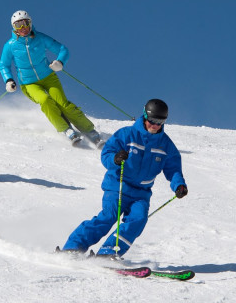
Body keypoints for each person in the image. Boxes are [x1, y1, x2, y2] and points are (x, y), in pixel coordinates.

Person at [61, 99, 188, 257]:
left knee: (138, 220)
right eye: (152, 121)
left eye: (160, 122)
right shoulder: (127, 134)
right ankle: (73, 247)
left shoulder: (166, 145)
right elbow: (106, 153)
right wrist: (115, 159)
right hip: (118, 185)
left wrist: (179, 185)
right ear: (145, 116)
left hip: (141, 193)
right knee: (109, 216)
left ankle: (109, 252)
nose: (155, 125)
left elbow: (173, 168)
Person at [0, 10, 103, 147]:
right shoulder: (10, 46)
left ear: (30, 23)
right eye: (18, 25)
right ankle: (66, 130)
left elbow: (63, 49)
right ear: (14, 28)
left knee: (63, 104)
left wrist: (60, 62)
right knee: (45, 100)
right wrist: (9, 80)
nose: (23, 28)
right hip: (29, 83)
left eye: (25, 23)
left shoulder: (40, 38)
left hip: (48, 77)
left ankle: (90, 131)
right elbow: (4, 65)